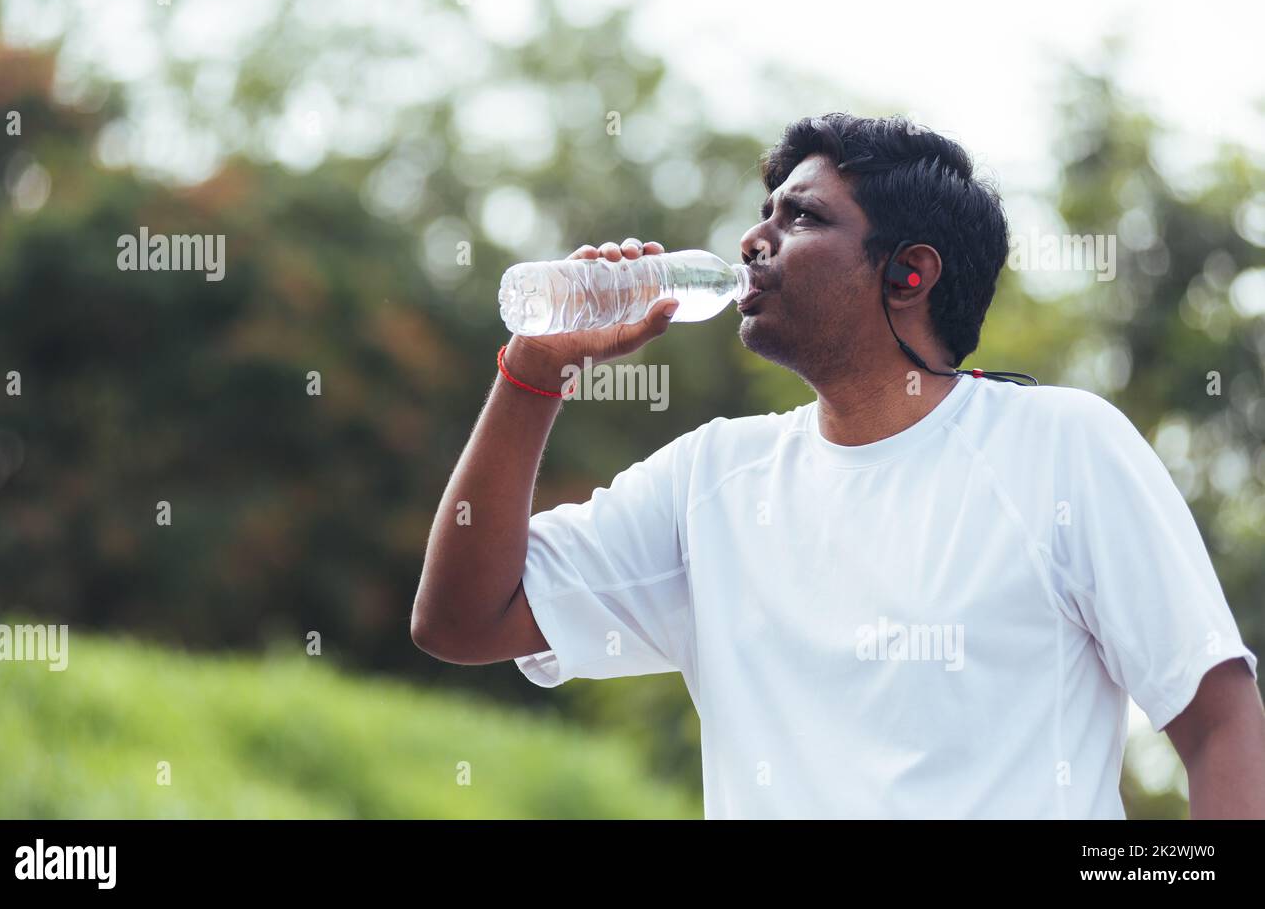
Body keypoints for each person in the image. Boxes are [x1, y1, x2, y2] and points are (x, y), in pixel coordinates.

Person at [412, 112, 1265, 818]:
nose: (754, 239)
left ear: (910, 273)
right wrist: (533, 376)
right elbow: (461, 621)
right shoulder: (712, 480)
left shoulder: (1061, 447)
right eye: (765, 211)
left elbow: (1222, 725)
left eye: (802, 217)